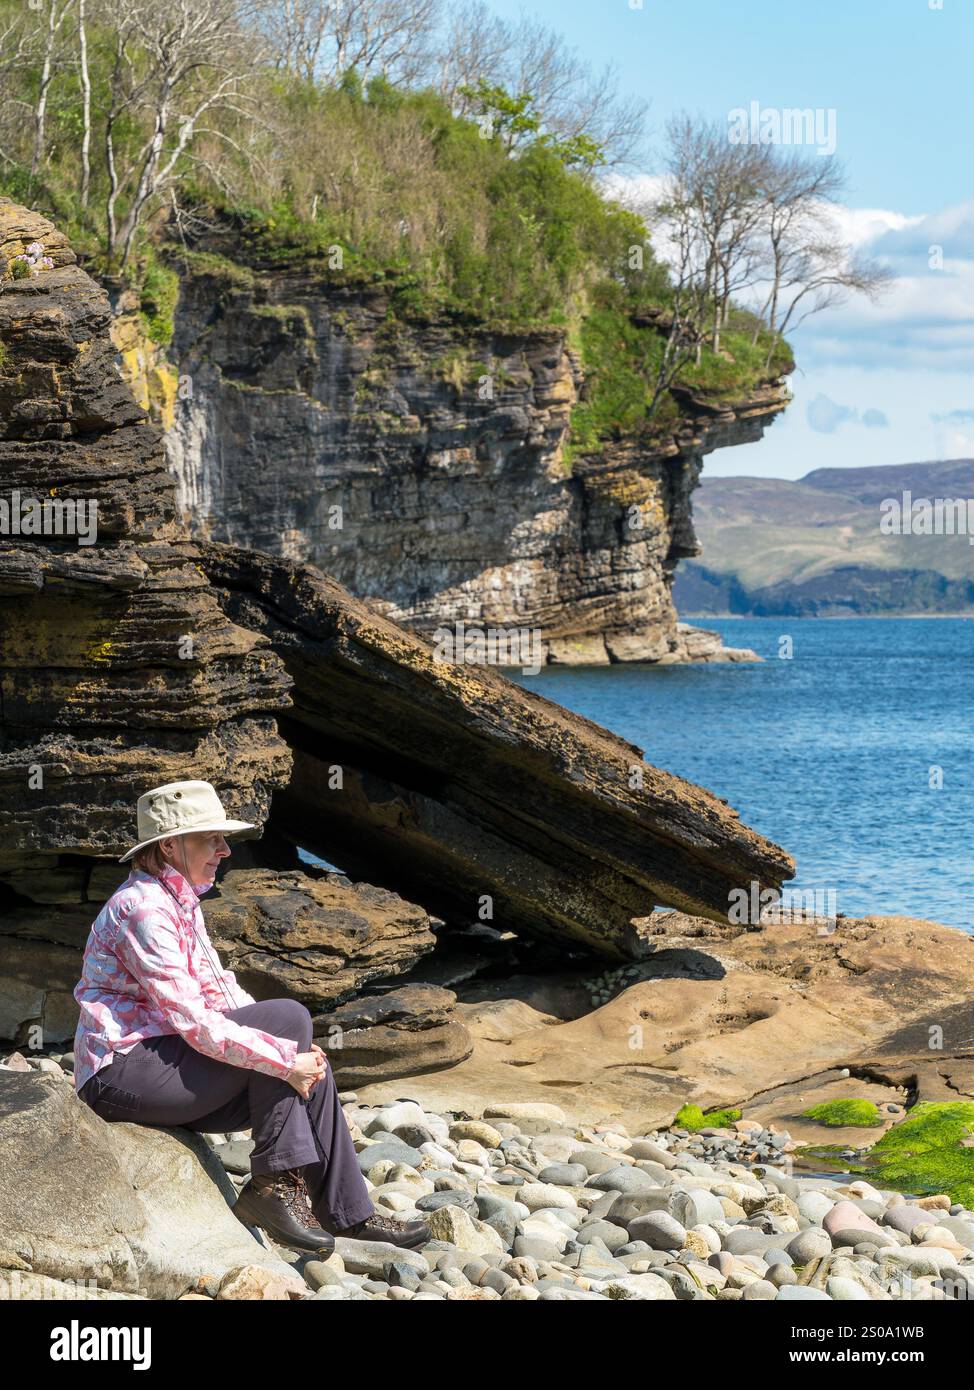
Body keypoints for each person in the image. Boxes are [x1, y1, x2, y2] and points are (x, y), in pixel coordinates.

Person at [73, 779, 428, 1255]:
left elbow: (220, 992)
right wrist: (282, 1055)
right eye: (210, 838)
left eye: (223, 838)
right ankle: (273, 1188)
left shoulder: (179, 902)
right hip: (120, 1077)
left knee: (306, 1065)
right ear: (170, 844)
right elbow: (195, 1022)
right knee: (288, 1023)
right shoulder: (142, 909)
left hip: (164, 1068)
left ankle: (350, 1214)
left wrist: (292, 1055)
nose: (224, 849)